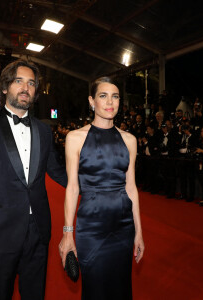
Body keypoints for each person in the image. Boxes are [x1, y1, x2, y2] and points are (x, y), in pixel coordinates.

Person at [0, 59, 67, 300]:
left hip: (38, 232)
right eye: (19, 81)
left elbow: (59, 172)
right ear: (5, 87)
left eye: (31, 83)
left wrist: (98, 184)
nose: (25, 88)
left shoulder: (43, 131)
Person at [59, 77, 144, 300]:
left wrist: (139, 232)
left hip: (123, 227)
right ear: (91, 101)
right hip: (91, 228)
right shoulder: (75, 138)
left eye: (115, 96)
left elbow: (131, 188)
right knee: (95, 289)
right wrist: (68, 234)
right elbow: (72, 188)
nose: (110, 102)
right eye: (103, 96)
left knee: (121, 288)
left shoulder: (130, 140)